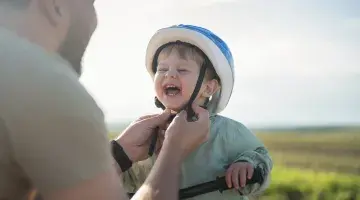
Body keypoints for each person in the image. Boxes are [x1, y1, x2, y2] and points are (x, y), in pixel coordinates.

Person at [0, 1, 210, 200]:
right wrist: (173, 151)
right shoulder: (46, 86)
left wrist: (120, 152)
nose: (94, 20)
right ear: (55, 4)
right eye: (91, 3)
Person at [121, 24, 273, 200]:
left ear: (209, 88)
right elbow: (126, 179)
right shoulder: (147, 134)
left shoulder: (226, 131)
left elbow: (260, 156)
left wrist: (247, 164)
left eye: (182, 69)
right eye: (162, 69)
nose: (169, 75)